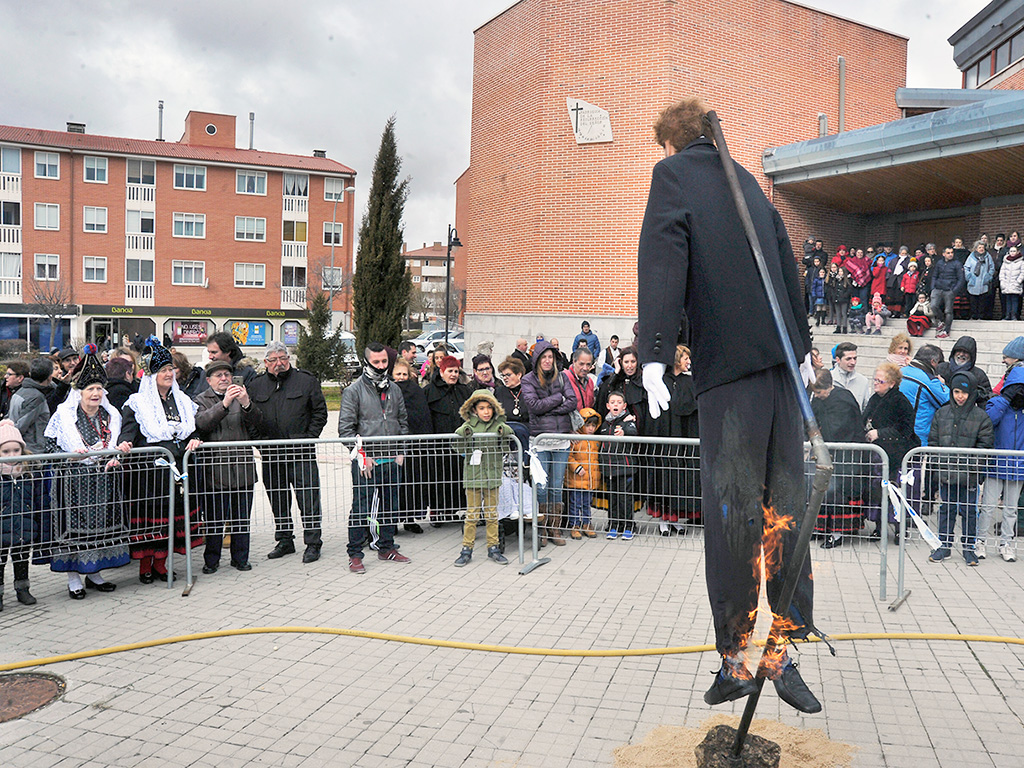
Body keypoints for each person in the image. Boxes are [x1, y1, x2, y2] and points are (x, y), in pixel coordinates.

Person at [636, 97, 819, 713]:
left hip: (731, 374)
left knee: (735, 511)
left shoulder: (674, 174)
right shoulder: (749, 184)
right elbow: (788, 272)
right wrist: (802, 350)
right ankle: (784, 649)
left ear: (672, 143)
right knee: (784, 507)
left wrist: (655, 353)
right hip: (780, 374)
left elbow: (663, 260)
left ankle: (738, 658)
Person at [44, 345, 131, 596]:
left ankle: (94, 572)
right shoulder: (64, 416)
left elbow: (115, 443)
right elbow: (49, 446)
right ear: (79, 392)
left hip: (102, 481)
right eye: (90, 389)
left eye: (99, 389)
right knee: (73, 531)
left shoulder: (111, 415)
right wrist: (70, 457)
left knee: (100, 528)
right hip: (73, 483)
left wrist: (120, 451)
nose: (96, 393)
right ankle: (74, 579)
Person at [120, 338, 203, 583]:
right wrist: (125, 443)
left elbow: (192, 429)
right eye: (163, 370)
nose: (169, 374)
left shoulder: (183, 401)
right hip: (151, 473)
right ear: (152, 374)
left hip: (179, 469)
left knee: (172, 520)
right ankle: (146, 565)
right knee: (152, 521)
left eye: (170, 370)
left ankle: (161, 564)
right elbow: (129, 430)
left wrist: (196, 438)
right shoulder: (138, 403)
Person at [247, 342, 327, 563]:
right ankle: (284, 540)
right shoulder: (256, 386)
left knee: (309, 500)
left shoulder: (306, 381)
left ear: (289, 359)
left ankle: (313, 543)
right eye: (273, 360)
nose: (279, 363)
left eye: (283, 358)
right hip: (271, 455)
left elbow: (319, 413)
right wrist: (260, 444)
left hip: (301, 454)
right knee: (278, 500)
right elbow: (250, 418)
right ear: (265, 363)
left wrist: (308, 439)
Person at [338, 343, 412, 574]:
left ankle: (386, 547)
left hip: (391, 460)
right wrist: (363, 456)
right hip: (365, 463)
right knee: (361, 507)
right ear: (366, 362)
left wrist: (402, 450)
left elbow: (402, 423)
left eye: (384, 362)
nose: (381, 366)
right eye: (376, 362)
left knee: (391, 506)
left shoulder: (395, 390)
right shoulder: (353, 391)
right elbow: (345, 430)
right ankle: (355, 554)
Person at [194, 360, 263, 574]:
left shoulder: (242, 395)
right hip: (216, 469)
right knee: (215, 518)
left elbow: (258, 423)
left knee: (241, 517)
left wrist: (246, 404)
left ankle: (240, 558)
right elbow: (202, 423)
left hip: (242, 467)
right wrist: (224, 404)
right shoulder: (200, 400)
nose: (224, 378)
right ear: (209, 380)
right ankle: (212, 560)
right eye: (219, 376)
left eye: (227, 374)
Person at [927, 373, 993, 566]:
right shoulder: (942, 413)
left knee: (969, 511)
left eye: (964, 392)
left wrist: (972, 468)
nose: (960, 396)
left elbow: (985, 446)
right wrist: (939, 465)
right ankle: (944, 545)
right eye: (956, 391)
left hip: (969, 476)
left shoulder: (981, 417)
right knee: (946, 509)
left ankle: (969, 548)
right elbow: (933, 442)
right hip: (946, 474)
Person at [521, 340, 577, 546]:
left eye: (550, 357)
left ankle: (554, 528)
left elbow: (573, 401)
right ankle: (541, 529)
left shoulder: (562, 377)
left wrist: (550, 406)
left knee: (556, 487)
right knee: (541, 487)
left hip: (561, 440)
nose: (547, 360)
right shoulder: (528, 380)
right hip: (540, 441)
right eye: (543, 357)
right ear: (537, 359)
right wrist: (558, 399)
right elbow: (534, 406)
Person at [452, 389, 514, 566]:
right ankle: (466, 549)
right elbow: (458, 447)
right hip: (473, 476)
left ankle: (493, 547)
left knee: (492, 514)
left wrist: (504, 431)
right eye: (481, 408)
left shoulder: (498, 424)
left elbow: (506, 444)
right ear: (474, 410)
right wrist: (463, 433)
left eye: (489, 408)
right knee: (472, 514)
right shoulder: (469, 426)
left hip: (492, 476)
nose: (486, 412)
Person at [645, 344, 700, 531]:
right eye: (685, 358)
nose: (689, 362)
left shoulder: (688, 381)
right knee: (664, 476)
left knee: (679, 478)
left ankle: (675, 519)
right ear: (677, 359)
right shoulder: (661, 381)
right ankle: (663, 521)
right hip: (665, 439)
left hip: (681, 439)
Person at [810, 370, 865, 548]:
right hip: (828, 453)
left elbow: (840, 430)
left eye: (819, 392)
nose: (817, 396)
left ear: (828, 387)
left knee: (839, 493)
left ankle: (838, 532)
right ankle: (821, 528)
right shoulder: (819, 399)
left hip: (846, 455)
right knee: (824, 490)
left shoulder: (843, 399)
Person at [980, 337, 1024, 561]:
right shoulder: (1003, 401)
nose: (1003, 360)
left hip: (1011, 458)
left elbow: (990, 417)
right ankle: (983, 541)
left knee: (1007, 508)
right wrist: (1003, 398)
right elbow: (991, 417)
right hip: (1003, 457)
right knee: (992, 506)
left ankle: (1005, 543)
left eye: (1006, 357)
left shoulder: (1006, 398)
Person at [863, 362, 917, 540]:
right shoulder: (875, 398)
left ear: (892, 383)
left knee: (897, 492)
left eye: (880, 381)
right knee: (878, 492)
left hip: (898, 455)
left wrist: (880, 433)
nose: (876, 383)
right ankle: (879, 526)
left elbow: (905, 429)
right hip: (880, 455)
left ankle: (901, 528)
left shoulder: (900, 401)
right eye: (875, 379)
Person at [0, 421, 45, 611]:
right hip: (2, 526)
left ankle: (22, 588)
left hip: (24, 525)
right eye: (6, 452)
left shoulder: (28, 473)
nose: (12, 456)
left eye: (15, 450)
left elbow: (37, 499)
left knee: (21, 558)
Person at [424, 355, 473, 524]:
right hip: (438, 443)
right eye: (450, 371)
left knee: (457, 476)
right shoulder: (430, 391)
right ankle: (437, 511)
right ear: (442, 371)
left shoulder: (464, 390)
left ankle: (453, 510)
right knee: (438, 477)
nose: (453, 374)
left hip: (459, 444)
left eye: (456, 371)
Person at [392, 358, 430, 534]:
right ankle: (391, 521)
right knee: (394, 484)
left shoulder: (416, 391)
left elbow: (422, 415)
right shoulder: (387, 391)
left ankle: (410, 518)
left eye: (404, 374)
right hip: (393, 446)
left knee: (412, 482)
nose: (401, 377)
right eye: (398, 374)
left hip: (413, 445)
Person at [597, 392, 637, 540]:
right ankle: (614, 525)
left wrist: (625, 432)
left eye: (619, 402)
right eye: (612, 402)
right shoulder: (604, 424)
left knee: (625, 498)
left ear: (624, 406)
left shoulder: (627, 420)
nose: (615, 405)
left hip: (625, 467)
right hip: (609, 468)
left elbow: (634, 432)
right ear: (608, 406)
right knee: (612, 498)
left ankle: (628, 526)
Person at [900, 345, 950, 447]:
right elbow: (947, 401)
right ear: (933, 362)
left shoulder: (900, 372)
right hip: (917, 437)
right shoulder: (929, 381)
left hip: (897, 433)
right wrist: (943, 384)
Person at [566, 408, 601, 540]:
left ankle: (587, 524)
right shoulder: (575, 440)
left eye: (593, 425)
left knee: (587, 503)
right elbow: (569, 457)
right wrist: (576, 467)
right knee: (575, 503)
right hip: (577, 478)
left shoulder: (595, 441)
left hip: (590, 479)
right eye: (588, 425)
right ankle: (574, 525)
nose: (591, 428)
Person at [10, 357, 56, 454]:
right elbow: (21, 424)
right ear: (49, 377)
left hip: (24, 447)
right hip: (32, 450)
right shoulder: (37, 398)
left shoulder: (20, 392)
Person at [936, 336, 992, 408]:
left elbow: (985, 399)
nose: (961, 354)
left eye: (966, 352)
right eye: (958, 351)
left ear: (972, 356)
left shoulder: (979, 375)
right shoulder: (941, 368)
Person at [931, 246, 966, 339]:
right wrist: (933, 287)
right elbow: (934, 275)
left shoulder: (957, 264)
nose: (950, 254)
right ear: (943, 254)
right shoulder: (939, 263)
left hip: (949, 290)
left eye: (951, 253)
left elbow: (961, 279)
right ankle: (942, 321)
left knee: (948, 311)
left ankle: (947, 331)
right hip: (938, 288)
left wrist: (954, 291)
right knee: (933, 306)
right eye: (948, 253)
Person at [831, 342, 871, 411]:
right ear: (838, 360)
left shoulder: (863, 381)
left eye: (855, 358)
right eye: (848, 359)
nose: (853, 362)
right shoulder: (828, 379)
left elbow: (865, 408)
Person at [964, 240, 996, 321]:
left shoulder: (988, 256)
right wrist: (969, 277)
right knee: (973, 300)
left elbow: (992, 268)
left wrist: (988, 277)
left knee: (982, 300)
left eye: (982, 247)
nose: (981, 249)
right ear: (976, 248)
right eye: (979, 247)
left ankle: (981, 316)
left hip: (983, 282)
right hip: (973, 282)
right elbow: (966, 267)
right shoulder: (971, 256)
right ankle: (974, 315)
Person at [565, 347, 596, 411]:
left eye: (588, 364)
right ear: (574, 361)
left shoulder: (590, 382)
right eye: (581, 364)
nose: (585, 368)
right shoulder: (564, 379)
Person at [999, 245, 1024, 321]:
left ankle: (1014, 316)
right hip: (1007, 284)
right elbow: (1002, 273)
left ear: (1017, 252)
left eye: (1014, 251)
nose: (1012, 253)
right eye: (1011, 251)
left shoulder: (1021, 262)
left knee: (1015, 300)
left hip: (1016, 284)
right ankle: (1007, 315)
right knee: (1008, 300)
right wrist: (1002, 282)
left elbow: (1022, 273)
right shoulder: (1005, 262)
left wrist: (1018, 282)